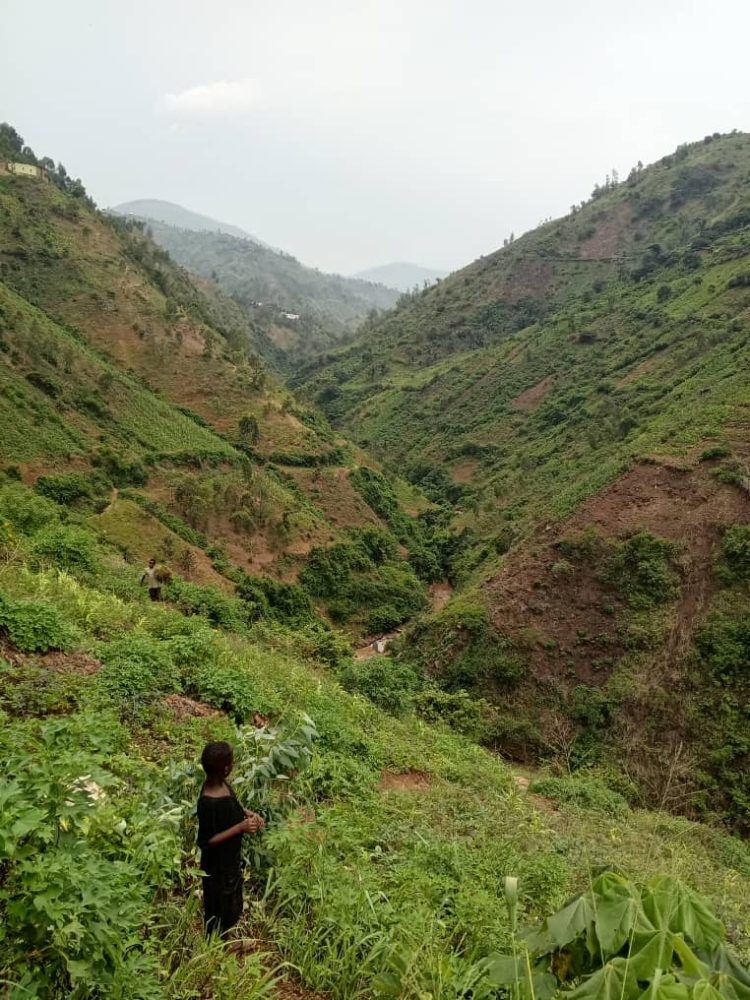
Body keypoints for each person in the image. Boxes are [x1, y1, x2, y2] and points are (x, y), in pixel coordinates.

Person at [197, 741, 265, 937]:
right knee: (218, 907)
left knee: (231, 903)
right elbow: (207, 841)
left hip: (229, 862)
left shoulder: (220, 784)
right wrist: (240, 827)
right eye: (232, 762)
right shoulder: (209, 802)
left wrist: (246, 813)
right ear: (226, 769)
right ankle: (216, 943)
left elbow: (233, 805)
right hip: (217, 869)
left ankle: (225, 939)